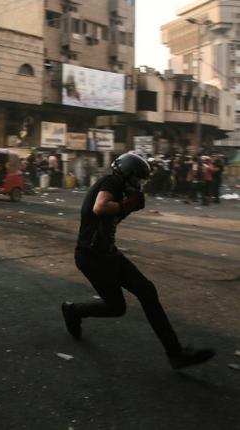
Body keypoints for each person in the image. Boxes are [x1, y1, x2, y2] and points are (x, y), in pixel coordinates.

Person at [61, 152, 215, 370]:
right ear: (127, 174)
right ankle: (73, 310)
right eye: (138, 179)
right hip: (91, 257)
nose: (139, 185)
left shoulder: (120, 189)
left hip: (107, 254)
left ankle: (176, 353)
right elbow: (100, 207)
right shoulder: (112, 181)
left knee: (144, 293)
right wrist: (126, 206)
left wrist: (126, 206)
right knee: (117, 307)